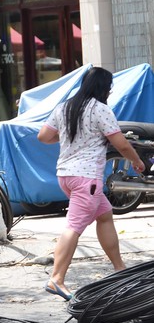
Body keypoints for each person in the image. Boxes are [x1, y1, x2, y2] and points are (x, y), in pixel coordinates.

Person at [37, 66, 145, 301]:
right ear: (104, 88)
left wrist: (68, 136)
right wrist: (137, 162)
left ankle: (120, 269)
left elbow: (44, 136)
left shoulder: (64, 107)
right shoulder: (100, 109)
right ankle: (56, 279)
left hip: (66, 175)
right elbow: (121, 144)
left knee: (105, 215)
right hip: (87, 179)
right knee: (73, 227)